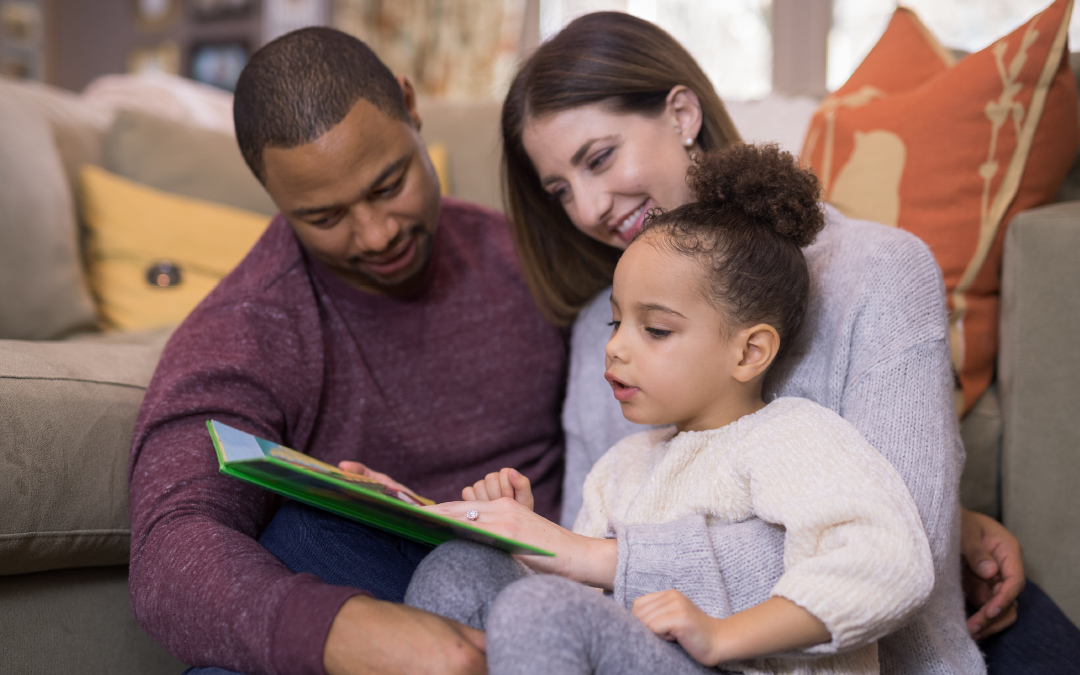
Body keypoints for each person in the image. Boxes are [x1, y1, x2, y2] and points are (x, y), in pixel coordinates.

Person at [422, 11, 1080, 674]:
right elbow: (591, 554)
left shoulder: (876, 272)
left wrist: (598, 557)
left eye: (600, 157)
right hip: (653, 643)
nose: (589, 208)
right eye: (561, 189)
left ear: (682, 114)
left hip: (840, 652)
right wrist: (534, 537)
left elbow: (900, 548)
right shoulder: (604, 319)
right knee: (457, 570)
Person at [126, 27, 568, 675]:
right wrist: (352, 631)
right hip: (373, 594)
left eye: (389, 185)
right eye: (326, 218)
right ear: (274, 197)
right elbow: (171, 546)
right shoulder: (248, 325)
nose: (377, 233)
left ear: (410, 106)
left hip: (544, 590)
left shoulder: (531, 259)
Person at [407, 143, 937, 675]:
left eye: (656, 329)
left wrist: (724, 636)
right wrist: (522, 540)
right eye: (616, 323)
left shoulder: (790, 437)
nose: (616, 348)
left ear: (749, 352)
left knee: (543, 610)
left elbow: (888, 564)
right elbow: (589, 614)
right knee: (459, 568)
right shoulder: (622, 467)